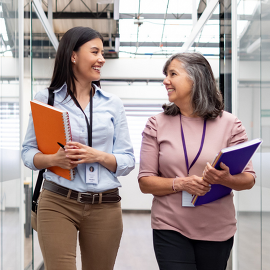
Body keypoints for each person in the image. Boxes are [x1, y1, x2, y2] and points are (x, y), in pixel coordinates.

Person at [22, 27, 135, 270]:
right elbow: (27, 153)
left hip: (106, 205)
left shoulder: (112, 104)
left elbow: (127, 160)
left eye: (102, 53)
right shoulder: (47, 99)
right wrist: (55, 159)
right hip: (57, 201)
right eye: (95, 52)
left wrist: (99, 156)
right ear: (73, 56)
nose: (101, 59)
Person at [138, 52, 255, 270]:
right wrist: (181, 183)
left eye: (173, 74)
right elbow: (145, 182)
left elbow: (248, 179)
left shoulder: (230, 124)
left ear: (196, 78)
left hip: (217, 228)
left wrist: (225, 179)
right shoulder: (156, 124)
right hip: (169, 225)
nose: (166, 80)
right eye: (165, 74)